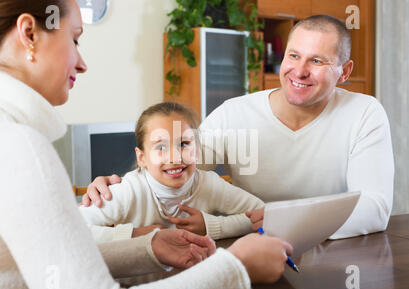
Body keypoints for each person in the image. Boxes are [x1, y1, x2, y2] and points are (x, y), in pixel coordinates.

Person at [0, 0, 293, 289]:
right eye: (74, 39)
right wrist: (236, 268)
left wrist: (148, 246)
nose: (82, 63)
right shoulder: (21, 148)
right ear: (29, 33)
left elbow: (51, 266)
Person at [84, 15, 394, 240]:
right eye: (293, 55)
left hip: (336, 254)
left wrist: (279, 222)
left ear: (344, 71)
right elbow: (178, 165)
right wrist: (118, 183)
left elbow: (375, 208)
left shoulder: (364, 113)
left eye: (317, 61)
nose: (299, 71)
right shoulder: (236, 113)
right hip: (253, 247)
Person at [80, 101, 265, 243]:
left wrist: (212, 226)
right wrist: (133, 234)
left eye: (184, 144)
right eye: (160, 147)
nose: (175, 157)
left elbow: (263, 214)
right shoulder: (130, 190)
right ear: (142, 158)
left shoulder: (209, 184)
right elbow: (73, 227)